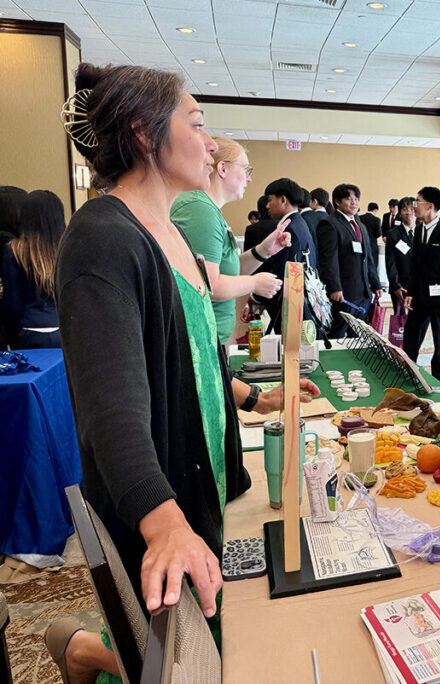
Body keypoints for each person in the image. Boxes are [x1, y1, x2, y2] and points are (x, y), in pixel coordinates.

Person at [46, 63, 319, 683]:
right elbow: (111, 406)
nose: (212, 143)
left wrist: (255, 397)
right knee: (180, 662)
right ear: (145, 133)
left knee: (205, 648)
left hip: (199, 486)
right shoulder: (102, 238)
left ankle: (88, 649)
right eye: (197, 124)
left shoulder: (167, 228)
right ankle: (84, 648)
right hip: (156, 500)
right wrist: (163, 520)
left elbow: (192, 359)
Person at [170, 136, 285, 345]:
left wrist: (264, 251)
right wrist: (254, 283)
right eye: (246, 170)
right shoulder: (200, 210)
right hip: (198, 340)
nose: (249, 179)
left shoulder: (208, 210)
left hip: (210, 337)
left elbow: (226, 271)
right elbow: (208, 285)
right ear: (222, 169)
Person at [403, 186, 440, 382]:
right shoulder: (419, 230)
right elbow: (415, 265)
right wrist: (410, 291)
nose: (414, 207)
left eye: (417, 203)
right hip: (419, 294)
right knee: (411, 335)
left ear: (430, 206)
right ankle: (409, 370)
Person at [252, 178, 318, 333]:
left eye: (269, 200)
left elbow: (281, 271)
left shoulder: (290, 229)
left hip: (290, 305)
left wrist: (256, 298)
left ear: (283, 200)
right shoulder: (299, 222)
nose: (267, 206)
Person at [0, 190, 65, 349]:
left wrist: (12, 339)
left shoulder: (14, 251)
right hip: (63, 328)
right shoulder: (67, 249)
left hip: (30, 329)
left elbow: (12, 303)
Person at [317, 183, 382, 331]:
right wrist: (334, 287)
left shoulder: (360, 225)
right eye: (348, 198)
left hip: (363, 292)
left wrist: (375, 283)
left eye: (356, 199)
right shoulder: (329, 224)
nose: (354, 202)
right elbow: (328, 259)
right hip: (343, 293)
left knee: (358, 336)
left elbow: (368, 258)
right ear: (337, 202)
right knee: (338, 334)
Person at [384, 196, 416, 311]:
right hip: (401, 286)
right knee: (401, 324)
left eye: (412, 209)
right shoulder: (393, 234)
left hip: (420, 286)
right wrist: (396, 285)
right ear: (400, 212)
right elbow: (390, 263)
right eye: (405, 209)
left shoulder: (424, 232)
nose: (409, 212)